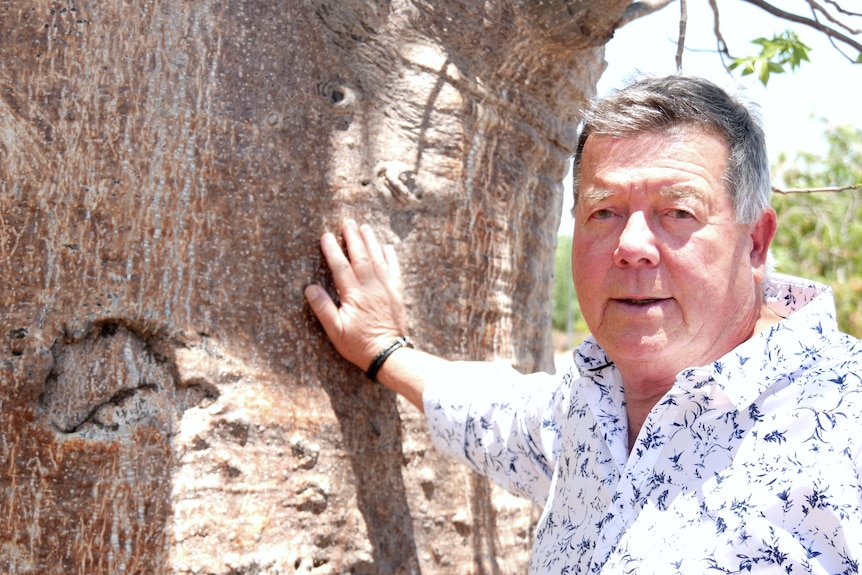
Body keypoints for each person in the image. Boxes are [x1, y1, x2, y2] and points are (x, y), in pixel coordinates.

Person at [303, 75, 862, 573]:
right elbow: (501, 416)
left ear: (756, 242)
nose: (632, 246)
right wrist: (383, 351)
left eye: (678, 213)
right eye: (604, 212)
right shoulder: (590, 410)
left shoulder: (845, 429)